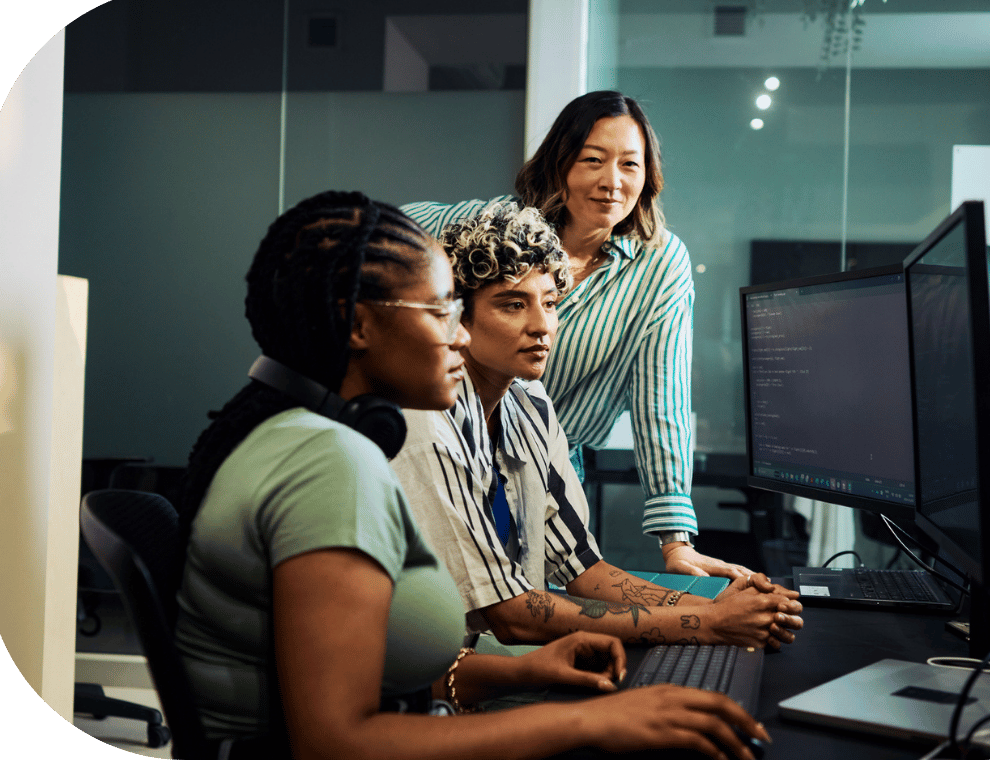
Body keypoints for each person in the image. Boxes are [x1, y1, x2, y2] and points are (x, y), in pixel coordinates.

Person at [173, 190, 771, 760]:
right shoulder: (329, 464)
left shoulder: (308, 436)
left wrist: (521, 672)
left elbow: (363, 671)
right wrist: (586, 721)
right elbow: (334, 745)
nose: (458, 334)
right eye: (440, 311)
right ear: (358, 326)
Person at [392, 201, 802, 649]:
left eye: (549, 303)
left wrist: (716, 608)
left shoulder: (529, 404)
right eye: (513, 305)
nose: (541, 326)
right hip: (432, 686)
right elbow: (512, 616)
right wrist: (707, 625)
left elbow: (584, 569)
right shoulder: (425, 419)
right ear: (459, 317)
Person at [402, 90, 743, 580]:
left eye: (630, 164)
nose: (612, 182)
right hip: (455, 449)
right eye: (592, 160)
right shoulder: (500, 227)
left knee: (544, 603)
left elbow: (661, 403)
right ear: (560, 163)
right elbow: (386, 233)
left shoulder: (659, 264)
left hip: (549, 466)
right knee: (466, 609)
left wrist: (676, 543)